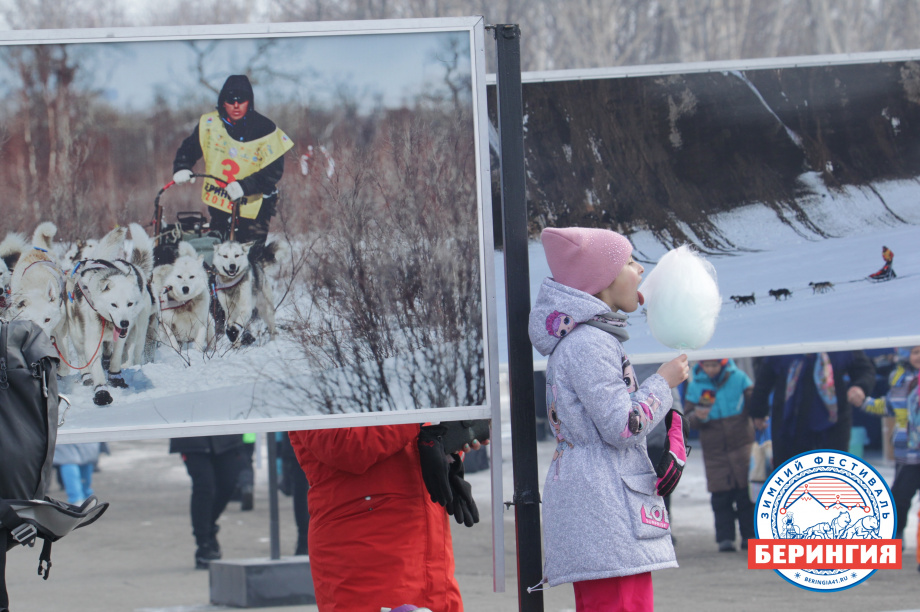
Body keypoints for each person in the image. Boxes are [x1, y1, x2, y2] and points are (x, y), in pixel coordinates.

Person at [528, 226, 690, 611]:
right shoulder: (589, 343)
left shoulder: (589, 340)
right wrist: (663, 384)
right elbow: (622, 426)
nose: (640, 270)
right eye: (630, 262)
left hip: (602, 507)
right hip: (605, 510)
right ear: (602, 281)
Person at [288, 424, 480, 612]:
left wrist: (449, 441)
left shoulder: (408, 399)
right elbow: (343, 445)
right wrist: (418, 416)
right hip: (366, 553)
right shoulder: (317, 396)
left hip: (428, 554)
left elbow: (412, 434)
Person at [172, 74, 293, 262]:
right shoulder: (210, 124)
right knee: (219, 256)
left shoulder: (265, 128)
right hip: (220, 201)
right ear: (223, 102)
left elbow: (274, 171)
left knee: (248, 260)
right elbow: (189, 148)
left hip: (255, 206)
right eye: (230, 100)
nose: (236, 106)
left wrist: (245, 186)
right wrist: (182, 167)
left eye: (241, 100)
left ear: (249, 102)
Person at [748, 351, 875, 468]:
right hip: (789, 427)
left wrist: (860, 387)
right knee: (790, 479)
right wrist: (758, 411)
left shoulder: (840, 344)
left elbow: (864, 370)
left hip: (833, 426)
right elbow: (764, 377)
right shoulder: (783, 345)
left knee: (831, 478)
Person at [684, 358, 756, 552]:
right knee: (720, 496)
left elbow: (754, 404)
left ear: (723, 364)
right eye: (707, 366)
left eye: (714, 365)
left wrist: (759, 419)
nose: (711, 370)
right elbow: (687, 418)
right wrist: (697, 418)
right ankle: (725, 538)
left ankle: (750, 536)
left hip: (742, 443)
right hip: (714, 448)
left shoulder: (739, 378)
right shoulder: (697, 385)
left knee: (745, 494)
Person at [857, 346, 920, 559]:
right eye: (915, 352)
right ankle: (896, 535)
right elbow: (889, 407)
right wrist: (864, 402)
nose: (918, 357)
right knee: (900, 497)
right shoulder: (900, 379)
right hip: (908, 452)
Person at [169, 435, 248, 569]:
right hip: (192, 437)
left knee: (228, 483)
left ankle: (209, 526)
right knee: (204, 486)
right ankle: (203, 543)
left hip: (223, 435)